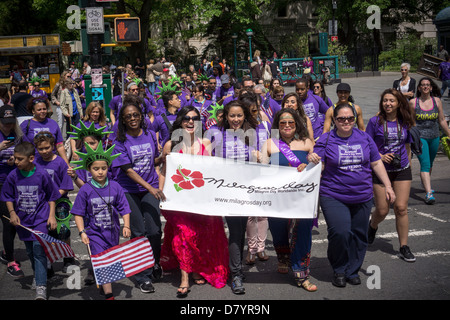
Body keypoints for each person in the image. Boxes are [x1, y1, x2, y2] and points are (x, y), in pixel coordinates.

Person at [311, 103, 395, 287]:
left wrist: (388, 185)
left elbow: (376, 163)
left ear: (355, 119)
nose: (346, 122)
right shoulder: (326, 139)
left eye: (350, 118)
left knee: (359, 234)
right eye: (341, 118)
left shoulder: (364, 137)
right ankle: (339, 269)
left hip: (363, 195)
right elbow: (319, 166)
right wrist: (314, 160)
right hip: (333, 194)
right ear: (334, 120)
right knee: (340, 232)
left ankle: (352, 269)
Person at [159, 106, 229, 297]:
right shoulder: (170, 145)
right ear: (180, 121)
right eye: (187, 118)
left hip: (202, 200)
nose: (191, 122)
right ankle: (184, 277)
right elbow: (164, 172)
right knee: (183, 236)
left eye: (195, 119)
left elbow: (212, 171)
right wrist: (161, 194)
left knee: (202, 236)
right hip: (179, 199)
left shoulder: (206, 143)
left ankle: (197, 268)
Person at [111, 99, 165, 293]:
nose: (132, 118)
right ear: (123, 120)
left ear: (141, 116)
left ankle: (155, 263)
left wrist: (166, 158)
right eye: (128, 116)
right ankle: (143, 277)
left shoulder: (150, 134)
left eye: (135, 115)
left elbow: (153, 161)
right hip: (128, 190)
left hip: (150, 187)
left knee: (154, 230)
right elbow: (128, 171)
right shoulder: (120, 142)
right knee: (138, 232)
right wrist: (151, 188)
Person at [260, 108, 317, 291]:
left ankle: (301, 272)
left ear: (296, 124)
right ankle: (283, 257)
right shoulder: (269, 143)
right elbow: (260, 171)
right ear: (277, 125)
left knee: (302, 233)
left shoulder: (307, 142)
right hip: (277, 197)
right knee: (278, 229)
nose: (287, 126)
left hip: (301, 198)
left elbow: (317, 169)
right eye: (283, 123)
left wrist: (311, 163)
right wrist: (259, 160)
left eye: (290, 122)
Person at [0, 141, 61, 300]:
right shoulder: (13, 175)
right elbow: (7, 196)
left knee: (38, 251)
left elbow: (52, 196)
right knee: (30, 252)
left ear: (31, 158)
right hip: (23, 222)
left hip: (40, 220)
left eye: (20, 159)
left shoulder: (42, 174)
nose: (16, 161)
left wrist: (51, 215)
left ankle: (41, 287)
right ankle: (38, 274)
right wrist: (12, 213)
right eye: (15, 158)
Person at [71, 141, 131, 300]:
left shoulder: (115, 186)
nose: (100, 172)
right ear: (89, 170)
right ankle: (109, 295)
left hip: (112, 232)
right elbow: (78, 213)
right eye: (95, 169)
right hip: (94, 233)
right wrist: (82, 231)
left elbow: (124, 207)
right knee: (102, 261)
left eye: (103, 168)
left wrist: (127, 226)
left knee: (111, 262)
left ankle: (104, 284)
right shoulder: (85, 189)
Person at [366, 89, 417, 262]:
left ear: (398, 103)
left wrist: (408, 166)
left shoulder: (405, 122)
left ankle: (404, 246)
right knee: (382, 209)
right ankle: (372, 226)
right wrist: (380, 156)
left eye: (392, 101)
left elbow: (408, 146)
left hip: (402, 169)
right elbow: (367, 145)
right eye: (385, 100)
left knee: (401, 208)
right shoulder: (375, 122)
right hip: (381, 170)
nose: (388, 103)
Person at [215, 100, 259, 294]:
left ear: (244, 116)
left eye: (239, 115)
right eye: (232, 116)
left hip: (247, 191)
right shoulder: (218, 136)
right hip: (228, 192)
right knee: (235, 231)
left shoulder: (252, 135)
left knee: (241, 230)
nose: (235, 119)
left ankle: (237, 267)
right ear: (226, 116)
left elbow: (263, 158)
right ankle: (236, 274)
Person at [33, 132, 75, 271]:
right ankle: (49, 261)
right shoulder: (35, 162)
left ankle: (68, 258)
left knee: (63, 231)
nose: (44, 151)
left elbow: (66, 185)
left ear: (53, 146)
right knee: (46, 232)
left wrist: (54, 196)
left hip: (60, 202)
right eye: (41, 149)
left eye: (47, 147)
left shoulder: (60, 162)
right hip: (42, 203)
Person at [409, 77, 450, 204]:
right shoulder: (413, 102)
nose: (425, 87)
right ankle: (428, 193)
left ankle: (425, 184)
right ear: (419, 88)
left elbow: (442, 120)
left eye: (427, 85)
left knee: (430, 163)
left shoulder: (437, 101)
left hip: (435, 137)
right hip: (420, 138)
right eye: (423, 85)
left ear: (431, 87)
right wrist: (412, 137)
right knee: (425, 164)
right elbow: (411, 122)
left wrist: (449, 134)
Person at [0, 105, 24, 278]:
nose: (8, 126)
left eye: (10, 123)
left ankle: (6, 251)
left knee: (14, 220)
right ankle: (10, 261)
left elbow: (25, 153)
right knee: (8, 221)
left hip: (14, 181)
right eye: (4, 123)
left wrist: (15, 160)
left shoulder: (17, 134)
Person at [20, 97, 69, 165]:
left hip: (51, 162)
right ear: (33, 111)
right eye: (39, 109)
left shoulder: (53, 123)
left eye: (44, 109)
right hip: (33, 163)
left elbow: (59, 146)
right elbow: (20, 145)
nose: (42, 111)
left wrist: (66, 164)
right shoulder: (25, 125)